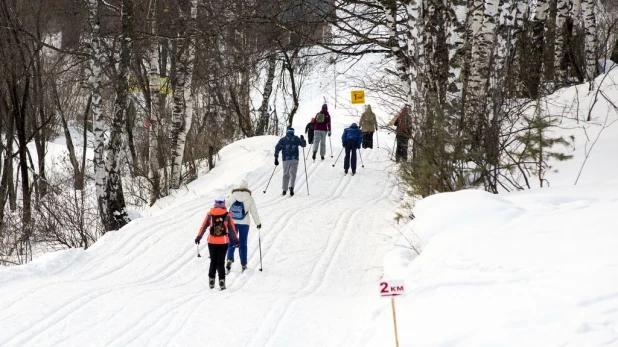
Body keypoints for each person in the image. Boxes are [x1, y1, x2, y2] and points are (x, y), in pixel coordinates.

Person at [195, 196, 239, 290]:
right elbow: (232, 229)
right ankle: (222, 281)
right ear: (223, 204)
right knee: (221, 262)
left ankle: (211, 280)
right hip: (223, 242)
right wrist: (236, 240)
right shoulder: (227, 215)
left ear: (215, 203)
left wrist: (199, 237)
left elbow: (203, 226)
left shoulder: (210, 214)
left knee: (213, 261)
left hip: (212, 241)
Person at [226, 179, 262, 273]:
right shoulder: (250, 198)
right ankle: (244, 264)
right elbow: (254, 212)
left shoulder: (233, 195)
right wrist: (258, 223)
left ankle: (229, 259)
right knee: (243, 244)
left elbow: (225, 204)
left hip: (232, 222)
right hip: (244, 224)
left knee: (232, 241)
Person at [274, 127, 307, 196]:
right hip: (295, 159)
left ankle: (284, 190)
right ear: (293, 132)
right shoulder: (296, 139)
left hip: (286, 159)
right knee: (293, 174)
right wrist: (302, 139)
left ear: (287, 132)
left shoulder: (283, 140)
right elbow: (304, 145)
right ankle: (291, 187)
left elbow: (277, 148)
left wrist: (276, 158)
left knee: (286, 174)